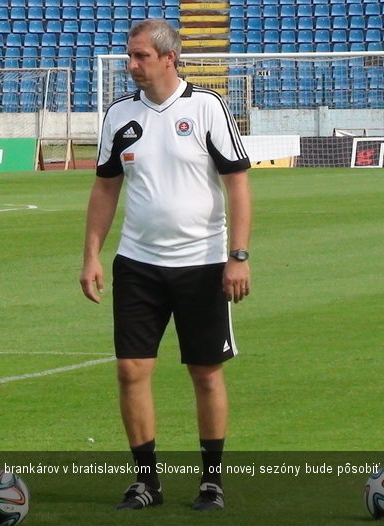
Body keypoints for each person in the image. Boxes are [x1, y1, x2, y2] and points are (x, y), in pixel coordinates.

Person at [79, 18, 252, 512]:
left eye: (140, 57)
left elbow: (238, 183)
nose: (131, 65)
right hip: (138, 263)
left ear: (169, 58)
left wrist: (237, 256)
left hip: (201, 263)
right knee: (131, 371)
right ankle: (146, 482)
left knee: (205, 373)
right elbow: (106, 185)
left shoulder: (207, 107)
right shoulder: (119, 115)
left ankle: (211, 482)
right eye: (130, 57)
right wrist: (91, 254)